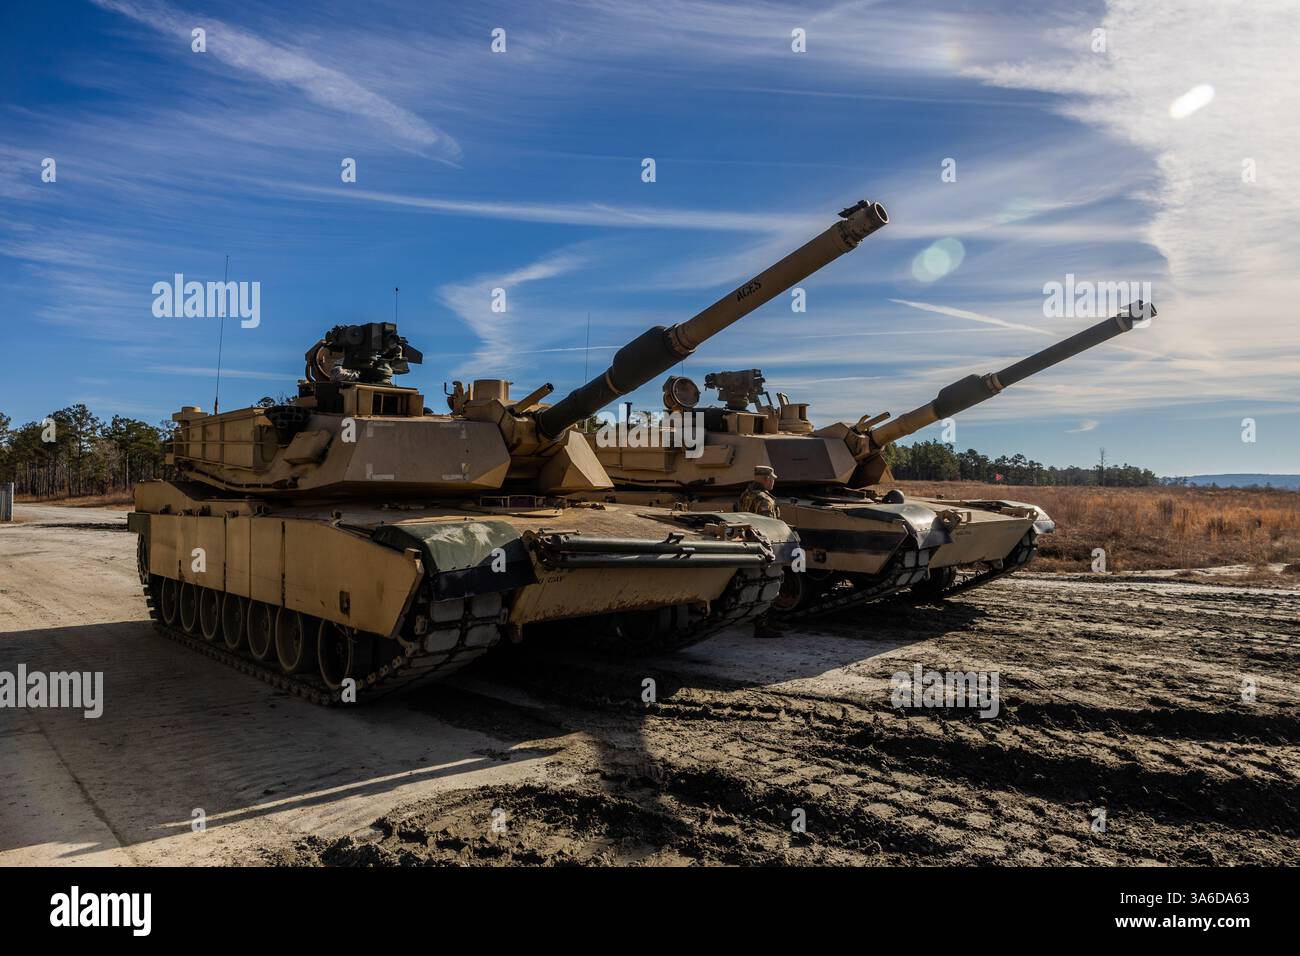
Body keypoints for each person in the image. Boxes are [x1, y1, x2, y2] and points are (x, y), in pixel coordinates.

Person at [737, 465, 784, 638]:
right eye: (772, 478)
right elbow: (769, 526)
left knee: (756, 583)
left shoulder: (746, 494)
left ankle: (758, 620)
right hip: (764, 548)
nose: (773, 481)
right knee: (768, 583)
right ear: (766, 479)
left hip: (749, 546)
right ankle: (762, 625)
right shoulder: (764, 500)